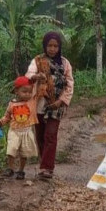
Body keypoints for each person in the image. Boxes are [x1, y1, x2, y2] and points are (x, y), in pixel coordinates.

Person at [25, 31, 74, 180]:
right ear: (45, 46)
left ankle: (47, 168)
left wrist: (61, 101)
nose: (52, 49)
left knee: (50, 135)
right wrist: (35, 77)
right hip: (39, 104)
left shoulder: (65, 63)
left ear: (59, 47)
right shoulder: (38, 61)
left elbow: (70, 83)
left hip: (56, 105)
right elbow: (28, 75)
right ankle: (43, 162)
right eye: (50, 45)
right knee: (40, 135)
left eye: (55, 46)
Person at [0, 76, 39, 180]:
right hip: (14, 131)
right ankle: (10, 168)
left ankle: (21, 170)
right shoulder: (12, 104)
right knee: (11, 149)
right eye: (24, 91)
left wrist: (37, 79)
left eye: (29, 92)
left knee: (24, 152)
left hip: (27, 131)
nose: (27, 94)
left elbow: (39, 89)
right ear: (16, 91)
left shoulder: (31, 102)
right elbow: (7, 117)